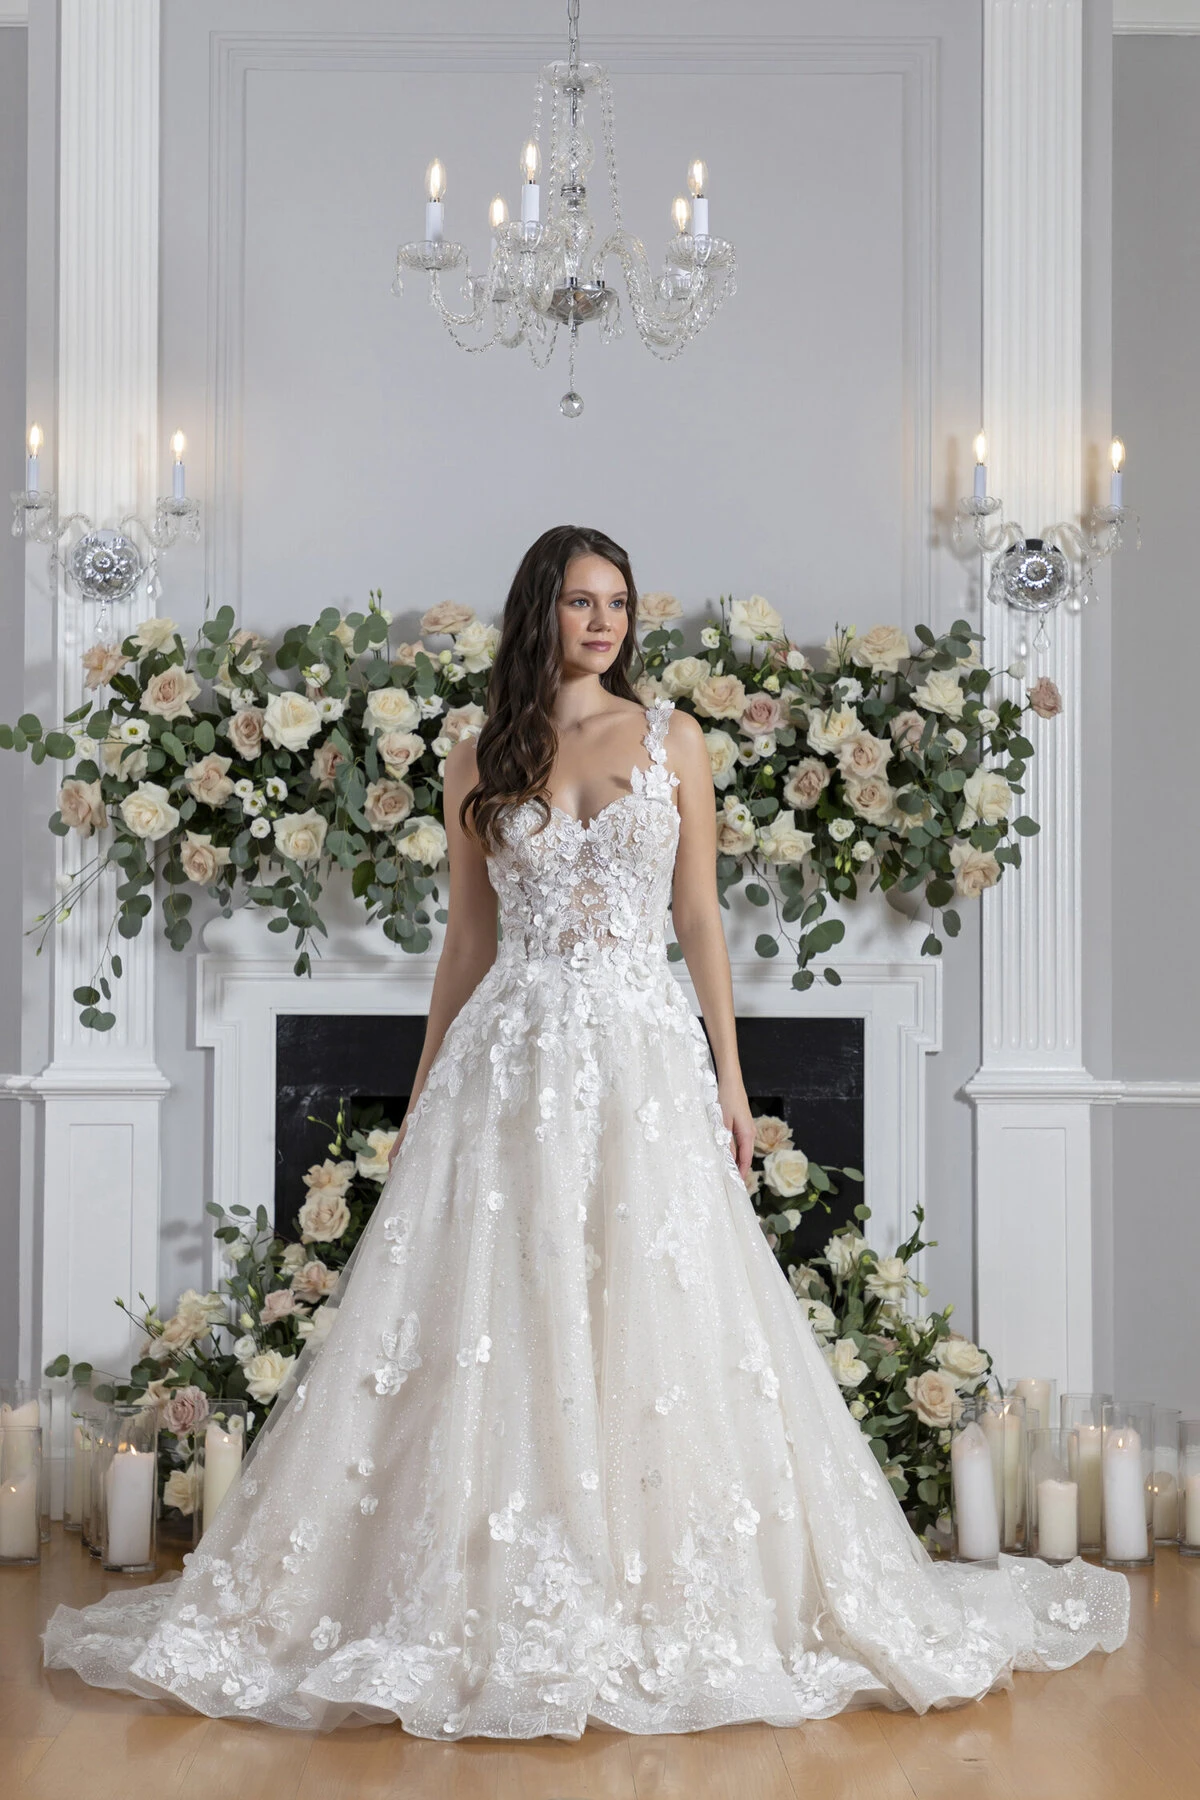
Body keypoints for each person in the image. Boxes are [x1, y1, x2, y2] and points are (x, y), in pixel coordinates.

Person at [43, 524, 1128, 1737]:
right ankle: (475, 1580)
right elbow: (466, 940)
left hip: (641, 1052)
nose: (603, 621)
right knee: (501, 1307)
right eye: (578, 601)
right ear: (540, 613)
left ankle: (657, 1579)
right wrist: (423, 1077)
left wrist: (730, 1076)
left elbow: (702, 919)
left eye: (615, 603)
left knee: (645, 1296)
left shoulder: (676, 741)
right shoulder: (477, 755)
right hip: (508, 1058)